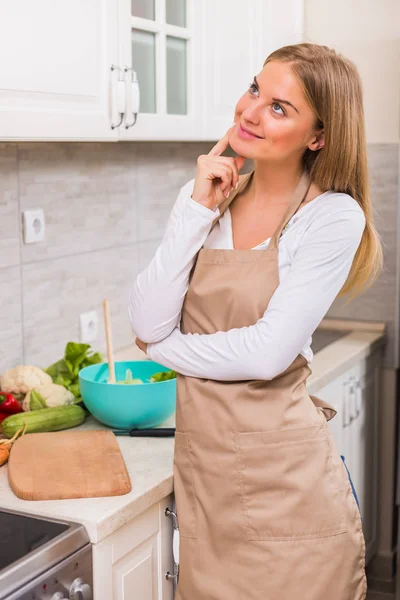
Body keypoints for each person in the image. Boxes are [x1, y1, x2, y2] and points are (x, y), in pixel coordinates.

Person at [129, 43, 383, 600]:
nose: (249, 111)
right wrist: (196, 209)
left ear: (318, 136)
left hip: (287, 487)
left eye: (279, 108)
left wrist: (161, 349)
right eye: (253, 90)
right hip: (208, 478)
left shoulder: (331, 215)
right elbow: (146, 317)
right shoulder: (205, 196)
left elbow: (267, 353)